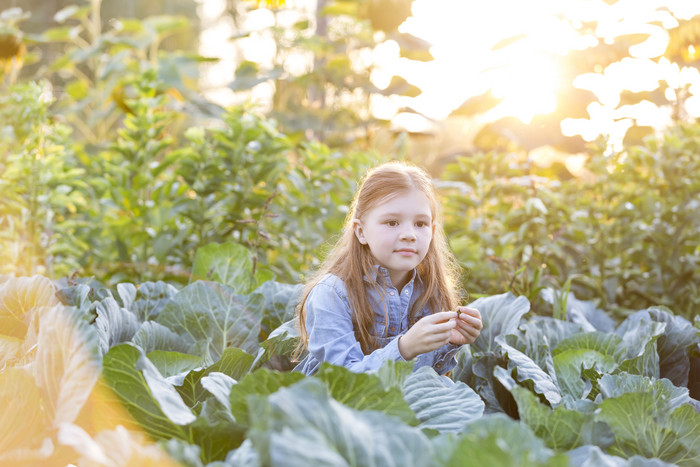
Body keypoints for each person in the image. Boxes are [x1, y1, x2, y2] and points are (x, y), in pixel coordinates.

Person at [293, 161, 482, 375]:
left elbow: (428, 381)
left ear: (432, 230)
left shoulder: (431, 291)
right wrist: (405, 348)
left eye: (420, 224)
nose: (409, 234)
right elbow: (342, 382)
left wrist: (450, 342)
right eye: (392, 222)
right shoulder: (332, 295)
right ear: (361, 231)